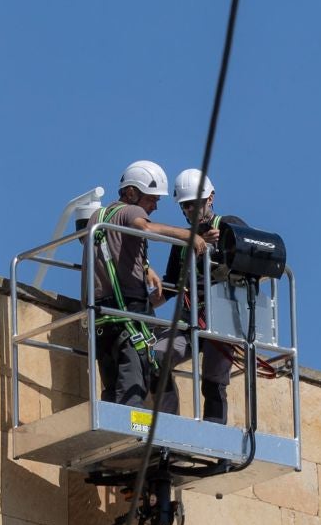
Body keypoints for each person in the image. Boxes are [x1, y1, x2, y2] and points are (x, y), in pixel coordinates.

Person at [91, 160, 203, 409]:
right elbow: (143, 227)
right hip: (128, 311)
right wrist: (188, 236)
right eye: (151, 199)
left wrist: (145, 267)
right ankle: (137, 439)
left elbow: (113, 249)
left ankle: (114, 437)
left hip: (100, 314)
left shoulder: (97, 217)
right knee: (134, 381)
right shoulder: (132, 212)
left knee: (112, 385)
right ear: (131, 192)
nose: (154, 206)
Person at [155, 167, 247, 423]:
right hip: (189, 321)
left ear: (210, 198)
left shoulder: (229, 226)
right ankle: (167, 423)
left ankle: (214, 434)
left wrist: (220, 247)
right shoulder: (182, 242)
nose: (190, 211)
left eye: (195, 204)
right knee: (157, 357)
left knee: (213, 382)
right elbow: (171, 287)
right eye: (185, 206)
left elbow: (251, 262)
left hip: (222, 320)